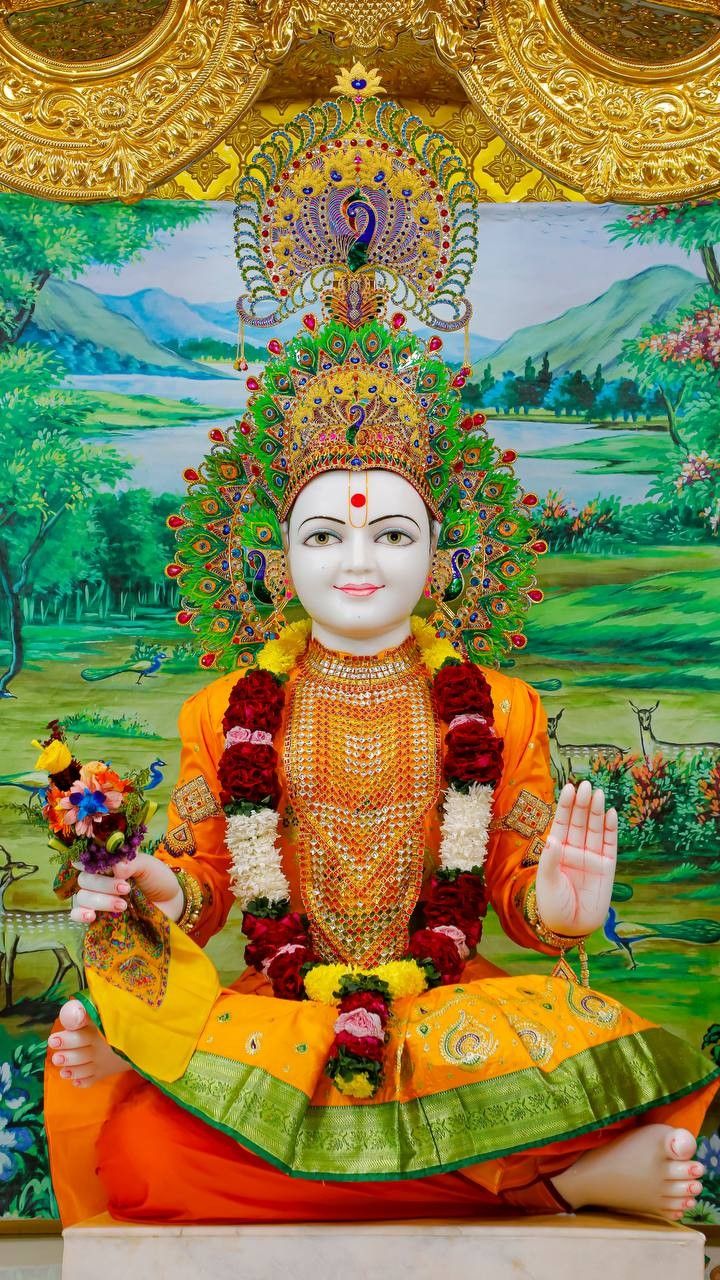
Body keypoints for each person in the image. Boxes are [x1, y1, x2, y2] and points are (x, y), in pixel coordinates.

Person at [44, 407, 718, 1225]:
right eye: (325, 537)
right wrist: (163, 886)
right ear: (276, 557)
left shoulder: (503, 709)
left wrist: (555, 907)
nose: (358, 561)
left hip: (448, 1002)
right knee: (139, 1160)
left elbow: (513, 881)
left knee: (580, 1077)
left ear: (442, 556)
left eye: (393, 536)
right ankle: (558, 1185)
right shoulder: (220, 712)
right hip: (285, 1012)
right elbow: (213, 882)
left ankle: (530, 1170)